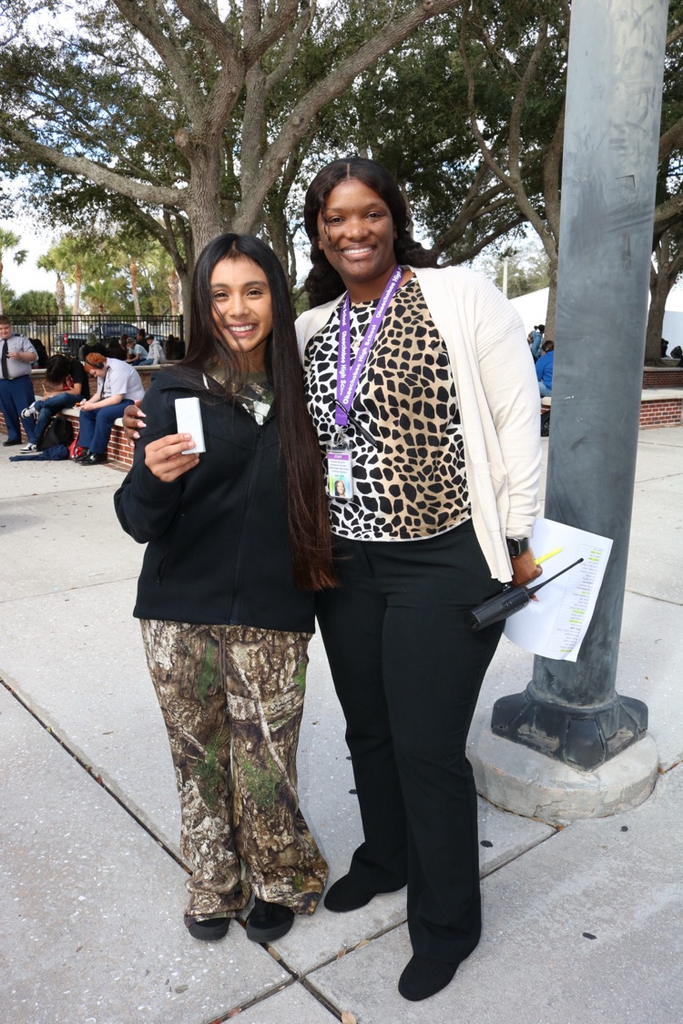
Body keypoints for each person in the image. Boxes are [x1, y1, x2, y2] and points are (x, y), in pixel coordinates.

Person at [296, 156, 542, 1002]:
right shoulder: (312, 326)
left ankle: (446, 924)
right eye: (334, 219)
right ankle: (386, 857)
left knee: (427, 745)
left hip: (440, 554)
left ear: (392, 218)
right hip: (345, 559)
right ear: (318, 233)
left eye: (367, 214)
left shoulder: (458, 294)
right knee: (369, 729)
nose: (352, 231)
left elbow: (515, 417)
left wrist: (515, 537)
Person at [114, 233, 335, 946]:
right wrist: (151, 474)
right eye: (219, 294)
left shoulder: (311, 391)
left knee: (266, 761)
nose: (237, 309)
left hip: (274, 612)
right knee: (198, 757)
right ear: (201, 305)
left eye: (252, 291)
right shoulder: (174, 390)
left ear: (276, 295)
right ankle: (213, 882)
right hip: (179, 614)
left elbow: (336, 499)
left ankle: (276, 877)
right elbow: (138, 520)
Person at [76, 352, 145, 464]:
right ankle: (87, 449)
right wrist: (87, 404)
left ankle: (98, 453)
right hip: (118, 400)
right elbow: (100, 393)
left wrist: (93, 406)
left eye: (94, 372)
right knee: (86, 413)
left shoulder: (118, 370)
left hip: (131, 401)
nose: (95, 376)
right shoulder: (103, 371)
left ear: (99, 365)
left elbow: (116, 398)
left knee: (104, 414)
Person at [20, 353, 89, 452]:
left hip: (80, 399)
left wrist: (55, 393)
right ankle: (34, 442)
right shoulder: (61, 371)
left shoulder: (76, 366)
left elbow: (77, 391)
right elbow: (61, 389)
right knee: (45, 410)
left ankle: (37, 405)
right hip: (64, 399)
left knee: (63, 396)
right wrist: (51, 394)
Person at [0, 315, 37, 447]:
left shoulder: (21, 339)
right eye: (1, 329)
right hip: (2, 382)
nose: (4, 331)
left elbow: (34, 356)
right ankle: (14, 436)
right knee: (7, 410)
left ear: (10, 327)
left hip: (20, 381)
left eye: (6, 328)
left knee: (25, 409)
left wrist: (20, 355)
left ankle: (33, 438)